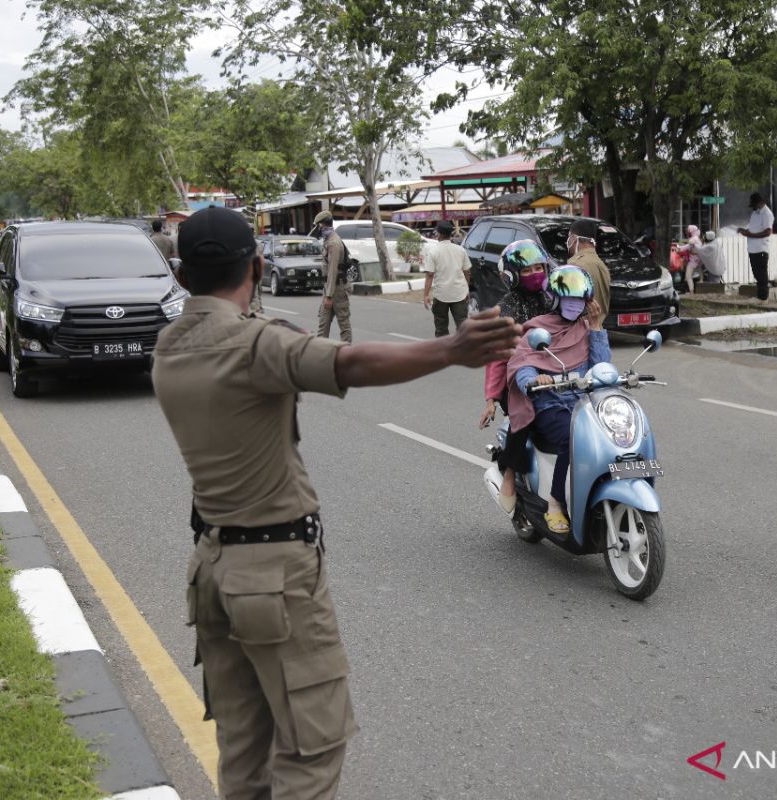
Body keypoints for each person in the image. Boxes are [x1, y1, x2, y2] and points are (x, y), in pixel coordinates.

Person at [152, 206, 520, 799]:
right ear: (256, 263)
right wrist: (451, 350)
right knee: (311, 749)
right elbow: (349, 362)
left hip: (213, 571)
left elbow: (278, 343)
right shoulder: (254, 346)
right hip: (274, 574)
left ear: (179, 271)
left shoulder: (170, 345)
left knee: (244, 748)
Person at [506, 266, 609, 535]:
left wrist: (597, 327)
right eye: (568, 298)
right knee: (572, 439)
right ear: (554, 298)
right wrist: (532, 380)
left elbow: (601, 368)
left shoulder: (588, 328)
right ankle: (555, 502)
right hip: (550, 403)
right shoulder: (539, 328)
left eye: (579, 299)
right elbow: (524, 362)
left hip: (585, 405)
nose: (574, 304)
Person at [479, 240, 557, 513]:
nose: (536, 273)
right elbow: (498, 358)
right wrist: (490, 399)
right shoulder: (508, 308)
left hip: (554, 372)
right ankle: (510, 471)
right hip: (516, 378)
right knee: (524, 419)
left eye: (539, 267)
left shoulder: (552, 298)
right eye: (528, 270)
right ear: (513, 275)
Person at [422, 219, 471, 336]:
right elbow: (467, 272)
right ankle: (464, 351)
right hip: (459, 293)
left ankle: (443, 352)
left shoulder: (433, 251)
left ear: (440, 234)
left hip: (441, 295)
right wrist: (467, 289)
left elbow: (430, 275)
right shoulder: (460, 250)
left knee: (441, 328)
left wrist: (426, 295)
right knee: (463, 327)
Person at [314, 211, 352, 344]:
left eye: (318, 226)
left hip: (337, 289)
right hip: (329, 288)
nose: (317, 229)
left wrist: (329, 296)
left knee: (344, 324)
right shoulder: (329, 240)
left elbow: (332, 270)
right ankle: (320, 353)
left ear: (322, 225)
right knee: (323, 324)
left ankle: (347, 353)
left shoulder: (334, 243)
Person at [564, 218, 610, 321]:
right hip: (599, 329)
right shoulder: (602, 265)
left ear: (574, 238)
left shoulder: (574, 265)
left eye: (569, 237)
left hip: (580, 332)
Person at [740, 192, 774, 300]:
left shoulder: (767, 214)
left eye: (754, 205)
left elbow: (767, 232)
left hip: (761, 249)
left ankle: (763, 298)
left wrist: (750, 234)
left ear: (760, 203)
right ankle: (760, 296)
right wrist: (745, 231)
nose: (752, 207)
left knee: (761, 274)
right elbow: (754, 229)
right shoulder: (755, 213)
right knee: (757, 274)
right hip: (753, 249)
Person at [676, 224, 703, 291]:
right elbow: (688, 247)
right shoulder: (697, 238)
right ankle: (700, 284)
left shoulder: (693, 239)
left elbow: (688, 246)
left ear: (691, 231)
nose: (687, 232)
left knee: (688, 276)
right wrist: (680, 248)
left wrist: (679, 249)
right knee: (699, 274)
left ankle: (691, 292)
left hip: (694, 260)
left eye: (688, 231)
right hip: (698, 260)